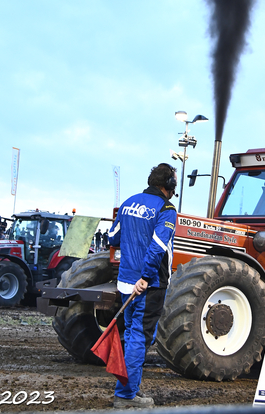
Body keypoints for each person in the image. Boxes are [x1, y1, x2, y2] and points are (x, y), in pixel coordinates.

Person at [109, 163, 177, 409]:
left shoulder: (128, 203)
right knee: (139, 336)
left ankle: (126, 390)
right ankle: (126, 395)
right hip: (150, 283)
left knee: (130, 334)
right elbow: (158, 247)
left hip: (126, 281)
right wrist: (147, 276)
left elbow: (112, 237)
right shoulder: (167, 208)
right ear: (168, 185)